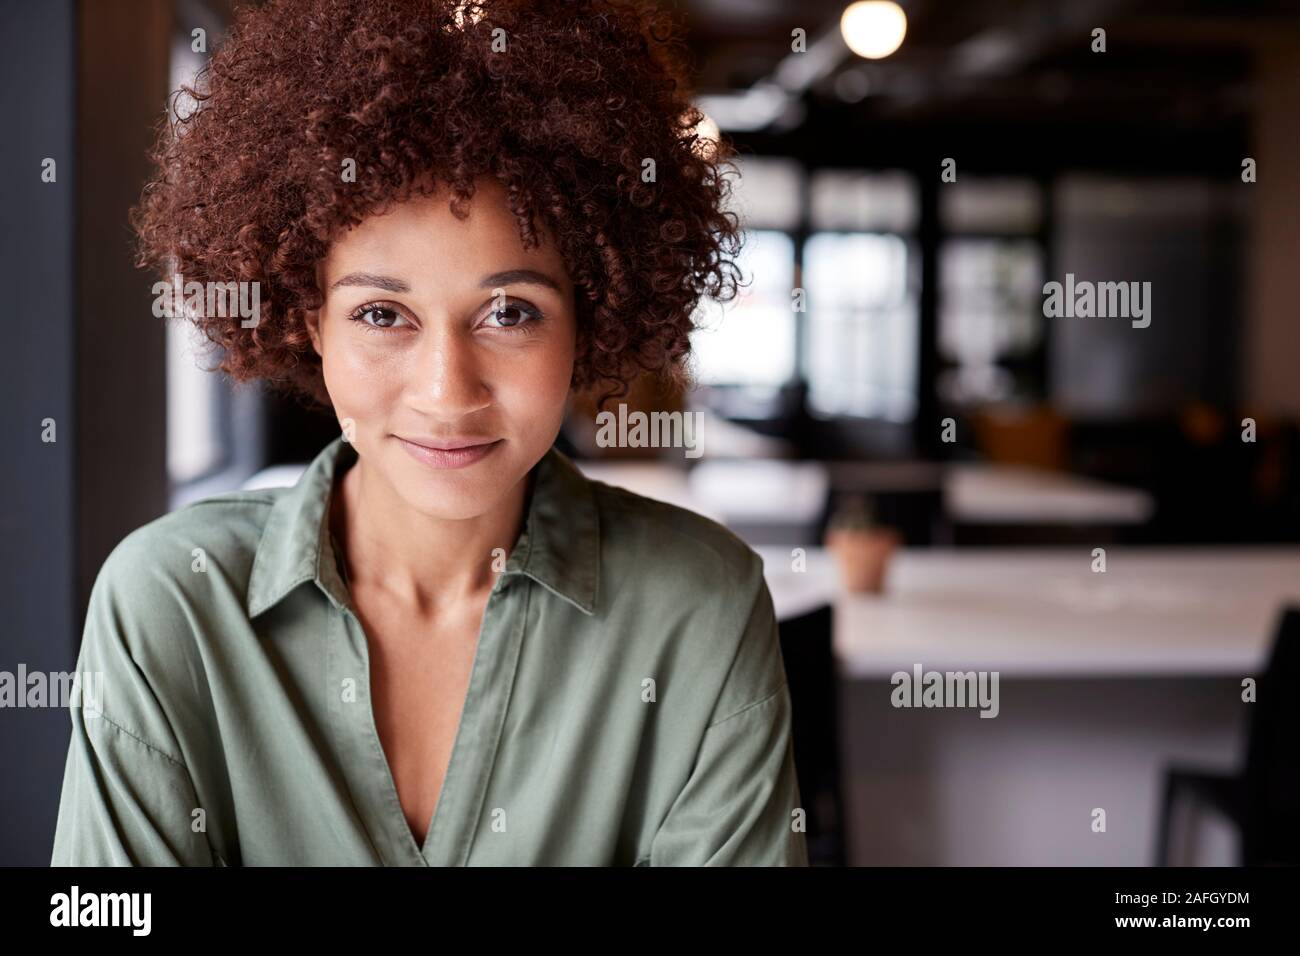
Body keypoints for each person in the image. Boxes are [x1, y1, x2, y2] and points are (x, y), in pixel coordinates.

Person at [50, 0, 808, 866]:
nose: (448, 392)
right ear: (308, 318)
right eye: (383, 312)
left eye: (509, 312)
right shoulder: (173, 604)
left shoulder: (699, 607)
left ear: (588, 318)